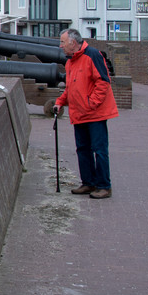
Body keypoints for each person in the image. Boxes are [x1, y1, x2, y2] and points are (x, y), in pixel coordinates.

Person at [53, 28, 118, 199]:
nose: (61, 46)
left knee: (99, 149)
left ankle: (104, 186)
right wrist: (60, 102)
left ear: (73, 43)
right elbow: (70, 88)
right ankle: (88, 182)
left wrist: (91, 103)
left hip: (94, 113)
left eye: (63, 42)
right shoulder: (70, 62)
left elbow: (103, 81)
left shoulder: (93, 55)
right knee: (82, 149)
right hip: (80, 113)